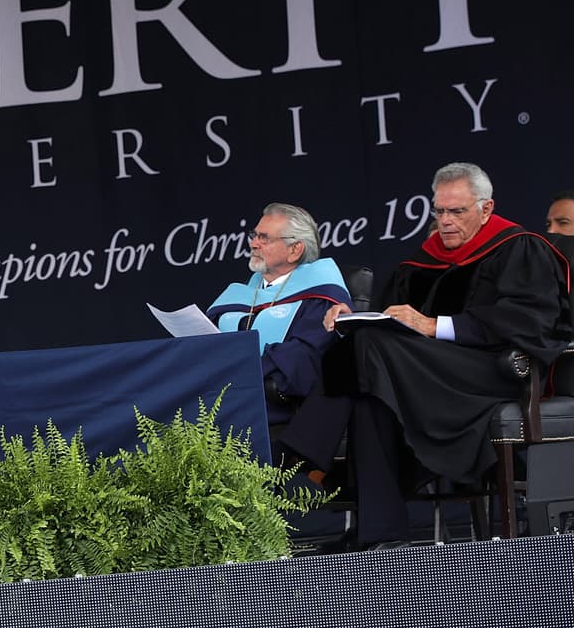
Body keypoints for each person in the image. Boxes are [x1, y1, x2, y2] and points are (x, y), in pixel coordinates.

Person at [279, 162, 571, 549]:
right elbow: (390, 318)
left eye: (457, 211)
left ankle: (296, 465)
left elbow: (530, 323)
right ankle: (380, 532)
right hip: (426, 373)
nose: (445, 221)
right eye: (439, 211)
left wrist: (437, 325)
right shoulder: (423, 261)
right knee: (368, 375)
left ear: (486, 210)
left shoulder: (520, 248)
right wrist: (351, 317)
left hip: (489, 373)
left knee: (369, 351)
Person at [206, 203, 352, 424]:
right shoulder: (241, 294)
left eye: (264, 238)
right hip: (223, 392)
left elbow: (303, 356)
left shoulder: (321, 295)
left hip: (272, 404)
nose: (253, 244)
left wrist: (240, 368)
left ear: (295, 250)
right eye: (254, 235)